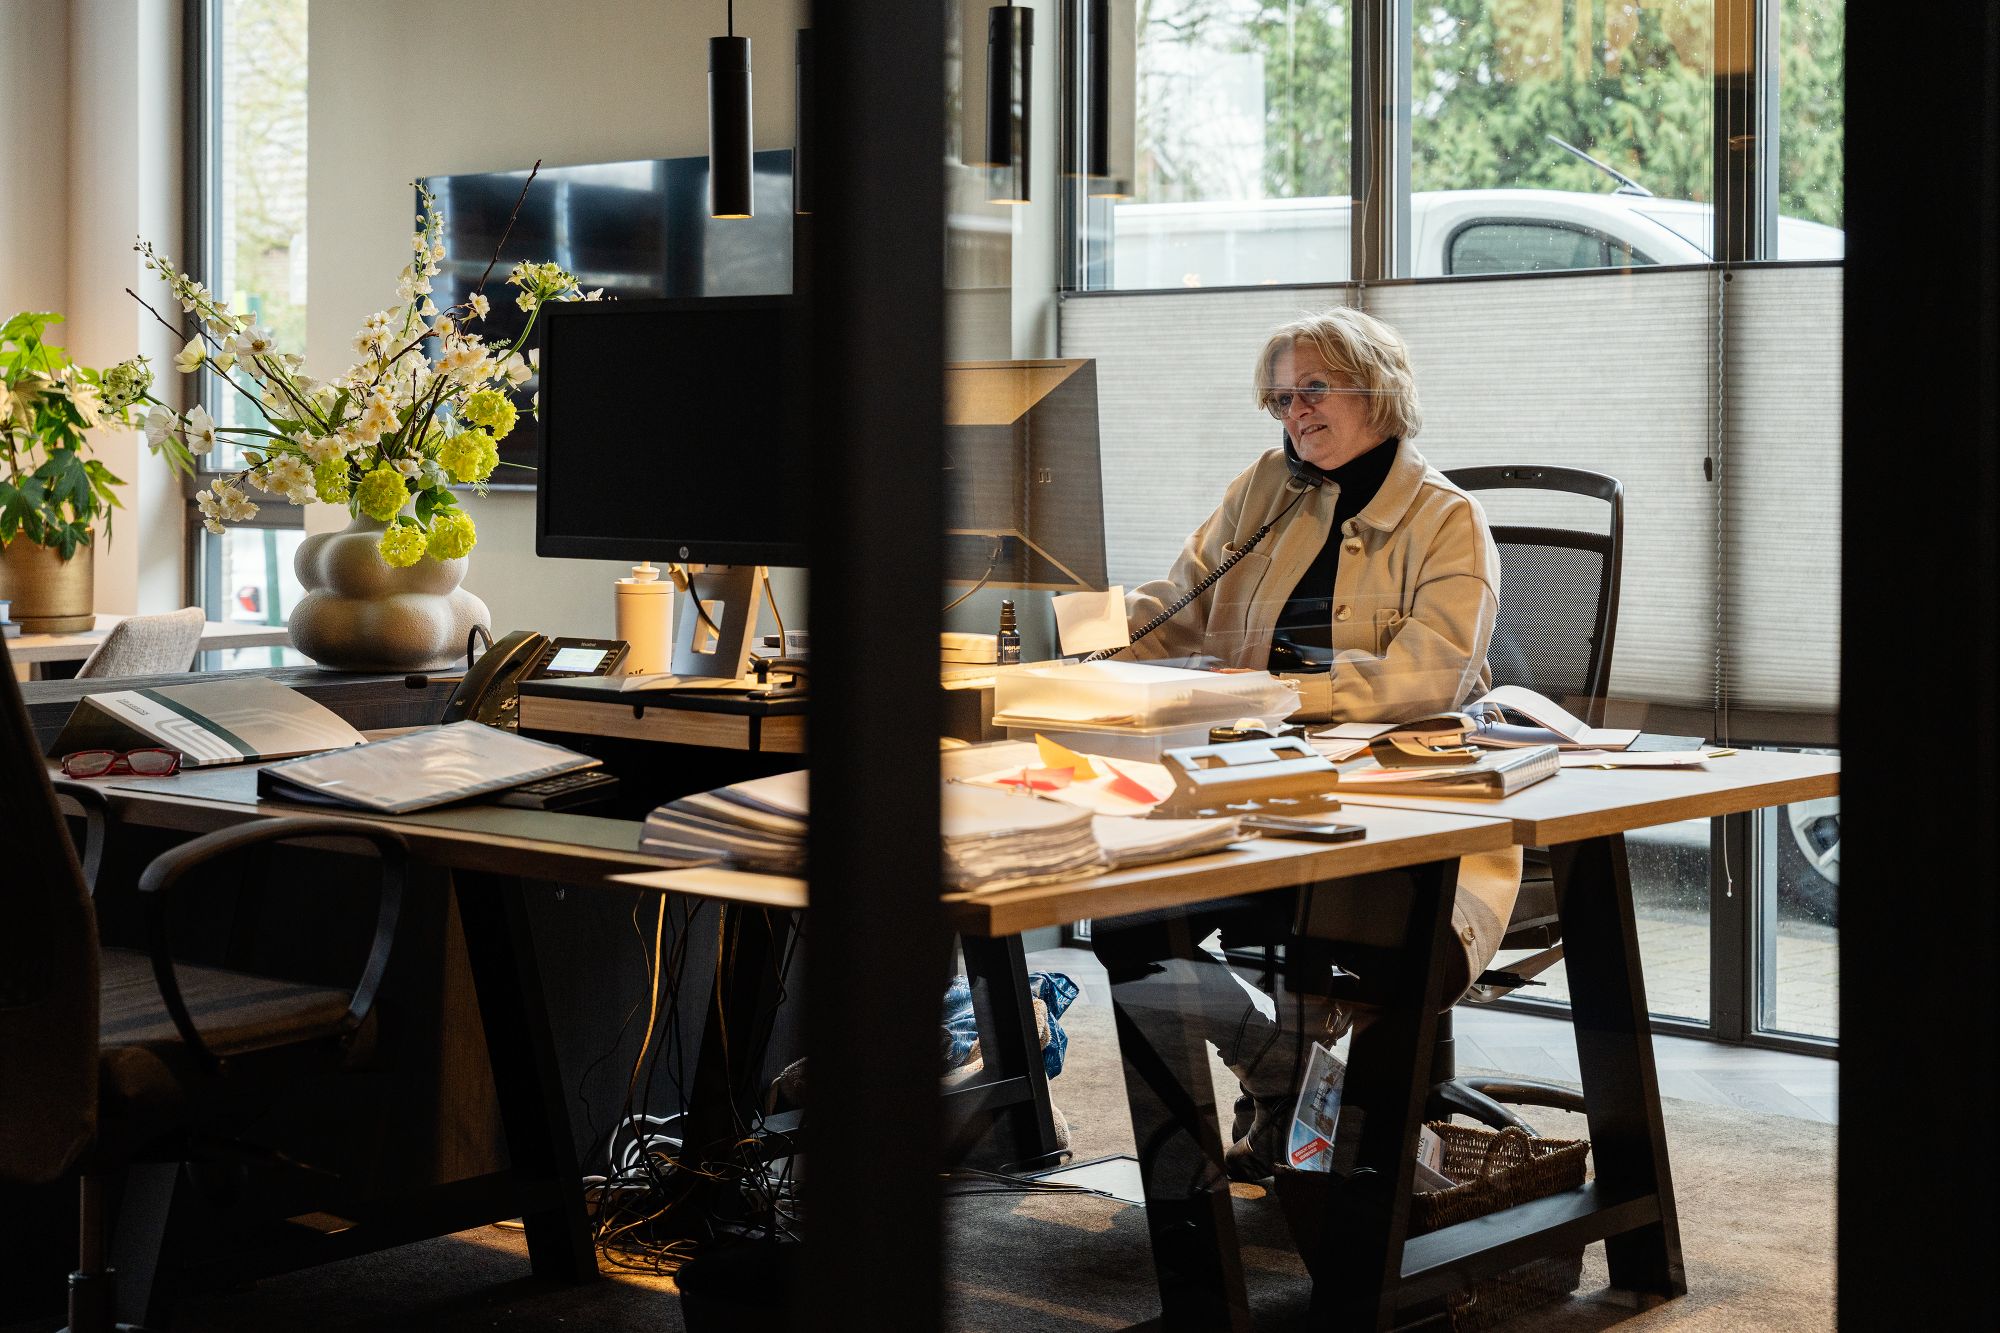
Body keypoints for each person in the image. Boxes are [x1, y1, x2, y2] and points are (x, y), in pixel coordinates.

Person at [1099, 306, 1523, 1178]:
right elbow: (1177, 608)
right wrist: (1080, 630)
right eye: (1283, 399)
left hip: (1393, 808)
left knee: (1379, 943)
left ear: (1381, 388)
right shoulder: (1264, 490)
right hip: (1254, 784)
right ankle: (1278, 1066)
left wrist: (1282, 693)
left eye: (1315, 390)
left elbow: (1426, 678)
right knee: (1128, 920)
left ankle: (1308, 1100)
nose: (1296, 414)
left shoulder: (1448, 519)